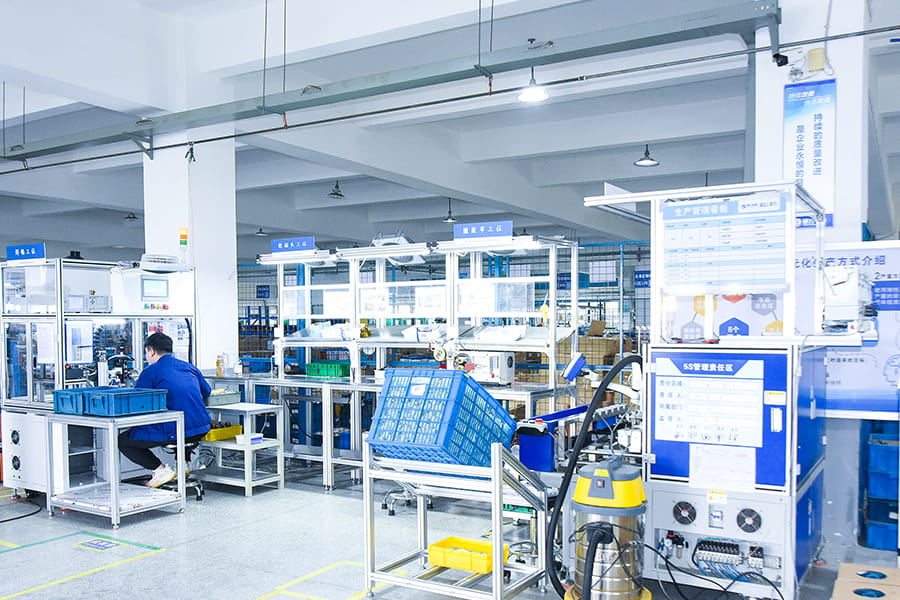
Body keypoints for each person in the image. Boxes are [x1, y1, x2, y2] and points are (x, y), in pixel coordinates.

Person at [119, 332, 211, 487]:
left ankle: (161, 470)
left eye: (146, 352)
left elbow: (138, 401)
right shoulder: (189, 367)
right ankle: (182, 465)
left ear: (152, 351)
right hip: (201, 428)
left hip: (176, 430)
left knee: (123, 441)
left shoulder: (151, 371)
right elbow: (206, 392)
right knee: (182, 426)